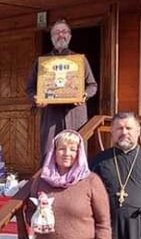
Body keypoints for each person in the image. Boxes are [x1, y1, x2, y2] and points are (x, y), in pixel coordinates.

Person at [26, 19, 98, 157]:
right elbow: (30, 88)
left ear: (70, 36)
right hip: (51, 116)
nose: (61, 35)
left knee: (76, 150)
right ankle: (48, 179)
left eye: (64, 31)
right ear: (51, 37)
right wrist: (36, 98)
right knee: (49, 152)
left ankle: (77, 179)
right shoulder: (42, 62)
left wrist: (84, 95)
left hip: (75, 114)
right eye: (57, 32)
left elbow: (92, 85)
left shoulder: (80, 60)